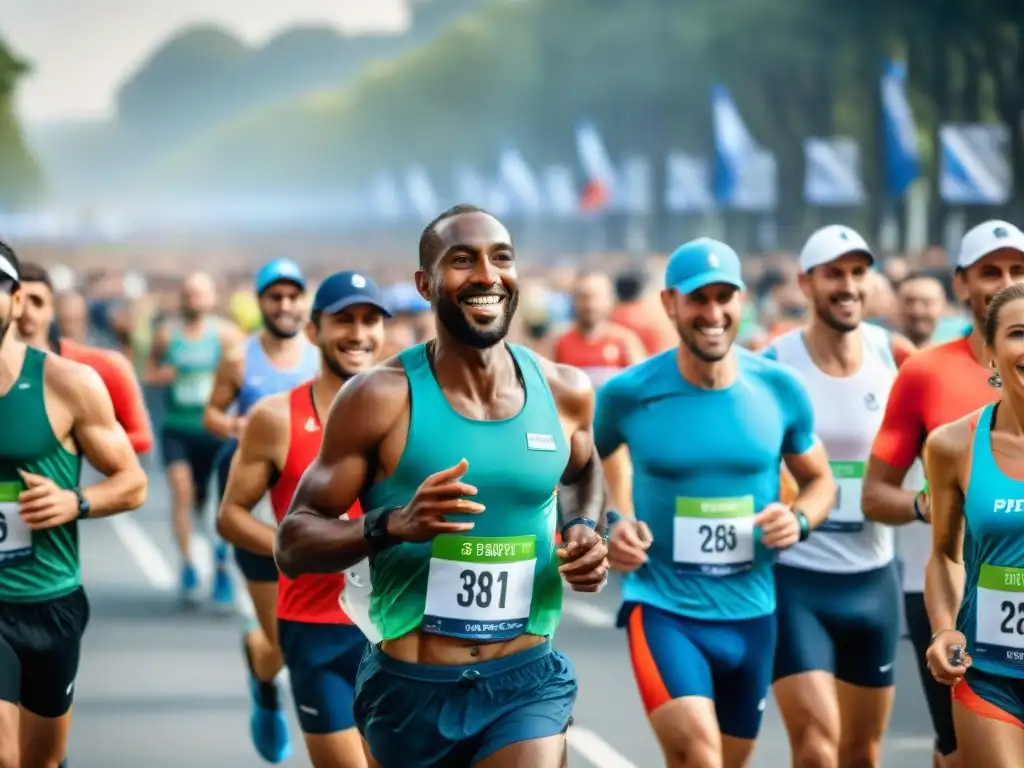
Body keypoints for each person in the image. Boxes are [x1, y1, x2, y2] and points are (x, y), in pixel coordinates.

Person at [274, 204, 609, 768]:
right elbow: (293, 542)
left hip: (525, 680)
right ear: (425, 285)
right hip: (411, 689)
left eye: (501, 258)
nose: (486, 274)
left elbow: (582, 472)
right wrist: (390, 525)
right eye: (463, 260)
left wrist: (581, 530)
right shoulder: (379, 398)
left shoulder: (565, 391)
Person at [596, 238, 835, 768]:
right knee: (697, 756)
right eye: (698, 299)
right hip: (664, 608)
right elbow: (582, 464)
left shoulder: (779, 389)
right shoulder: (628, 393)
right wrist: (612, 521)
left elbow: (821, 482)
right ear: (670, 304)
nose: (713, 313)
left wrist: (797, 519)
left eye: (724, 297)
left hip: (753, 612)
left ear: (742, 301)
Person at [863, 219, 1024, 767]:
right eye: (990, 270)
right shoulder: (933, 388)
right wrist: (946, 627)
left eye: (1017, 269)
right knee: (955, 755)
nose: (1003, 280)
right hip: (972, 638)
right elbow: (881, 500)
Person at [220, 270, 390, 767]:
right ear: (314, 331)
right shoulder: (275, 418)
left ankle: (261, 656)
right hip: (315, 625)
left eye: (369, 320)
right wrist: (302, 542)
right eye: (343, 321)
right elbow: (230, 515)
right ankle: (263, 664)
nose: (358, 334)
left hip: (397, 625)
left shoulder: (410, 412)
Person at [762, 226, 915, 767]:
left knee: (859, 754)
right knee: (817, 748)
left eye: (857, 272)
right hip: (797, 580)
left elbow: (943, 433)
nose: (847, 286)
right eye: (833, 274)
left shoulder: (893, 354)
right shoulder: (775, 364)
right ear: (806, 283)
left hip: (874, 581)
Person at [0, 243, 148, 768]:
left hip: (50, 600)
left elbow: (132, 482)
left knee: (42, 760)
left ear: (16, 301)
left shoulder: (67, 383)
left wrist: (74, 501)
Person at [205, 258, 318, 763]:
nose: (285, 306)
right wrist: (237, 429)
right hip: (255, 506)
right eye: (275, 297)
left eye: (293, 296)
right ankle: (263, 671)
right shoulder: (237, 358)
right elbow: (212, 411)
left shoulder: (322, 357)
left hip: (314, 507)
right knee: (285, 641)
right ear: (260, 302)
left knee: (326, 636)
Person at [924, 282, 1024, 767]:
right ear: (990, 353)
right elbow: (945, 553)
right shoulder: (952, 445)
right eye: (1018, 334)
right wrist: (943, 630)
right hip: (989, 672)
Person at [146, 271, 243, 606]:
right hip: (177, 428)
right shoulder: (166, 335)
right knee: (182, 494)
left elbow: (244, 377)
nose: (193, 300)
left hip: (215, 432)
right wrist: (163, 375)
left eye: (200, 294)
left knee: (217, 505)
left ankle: (220, 566)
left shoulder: (227, 336)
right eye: (188, 294)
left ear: (211, 297)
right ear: (181, 298)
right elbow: (148, 372)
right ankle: (188, 565)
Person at [15, 261, 153, 454]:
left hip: (87, 478)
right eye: (19, 301)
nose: (26, 312)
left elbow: (141, 437)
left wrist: (75, 444)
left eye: (37, 302)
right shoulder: (8, 372)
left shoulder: (104, 365)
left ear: (51, 310)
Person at [553, 271, 646, 387]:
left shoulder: (625, 341)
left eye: (596, 297)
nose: (590, 304)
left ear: (610, 300)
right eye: (583, 297)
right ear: (574, 301)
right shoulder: (557, 341)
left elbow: (641, 384)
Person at [896, 271, 949, 348]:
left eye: (926, 303)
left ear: (943, 306)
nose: (917, 311)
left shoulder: (956, 353)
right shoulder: (880, 352)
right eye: (910, 302)